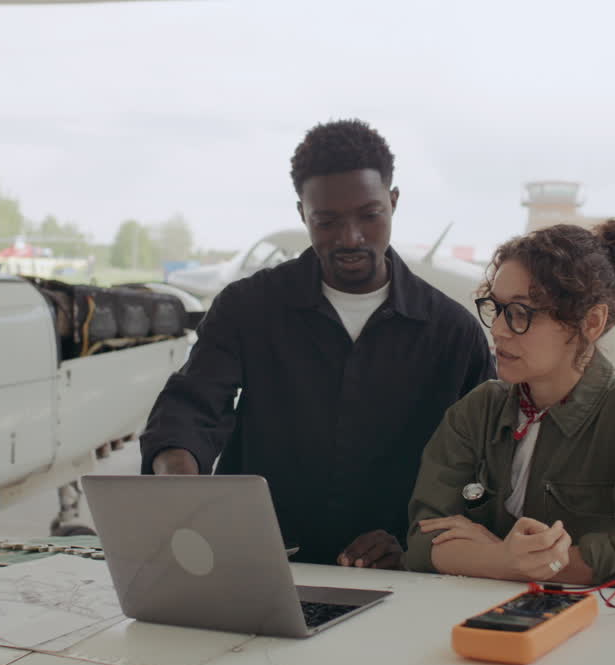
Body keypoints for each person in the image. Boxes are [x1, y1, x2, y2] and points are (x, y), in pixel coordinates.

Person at [141, 119, 495, 568]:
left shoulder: (454, 334)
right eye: (326, 221)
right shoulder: (247, 308)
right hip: (258, 564)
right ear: (301, 213)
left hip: (401, 579)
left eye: (370, 215)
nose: (350, 238)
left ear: (394, 201)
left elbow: (482, 471)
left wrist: (417, 546)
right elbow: (191, 408)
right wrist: (177, 479)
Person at [403, 221, 615, 583]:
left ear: (591, 322)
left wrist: (497, 557)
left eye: (521, 313)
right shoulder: (478, 410)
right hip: (484, 629)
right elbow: (422, 541)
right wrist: (506, 560)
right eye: (496, 308)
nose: (497, 330)